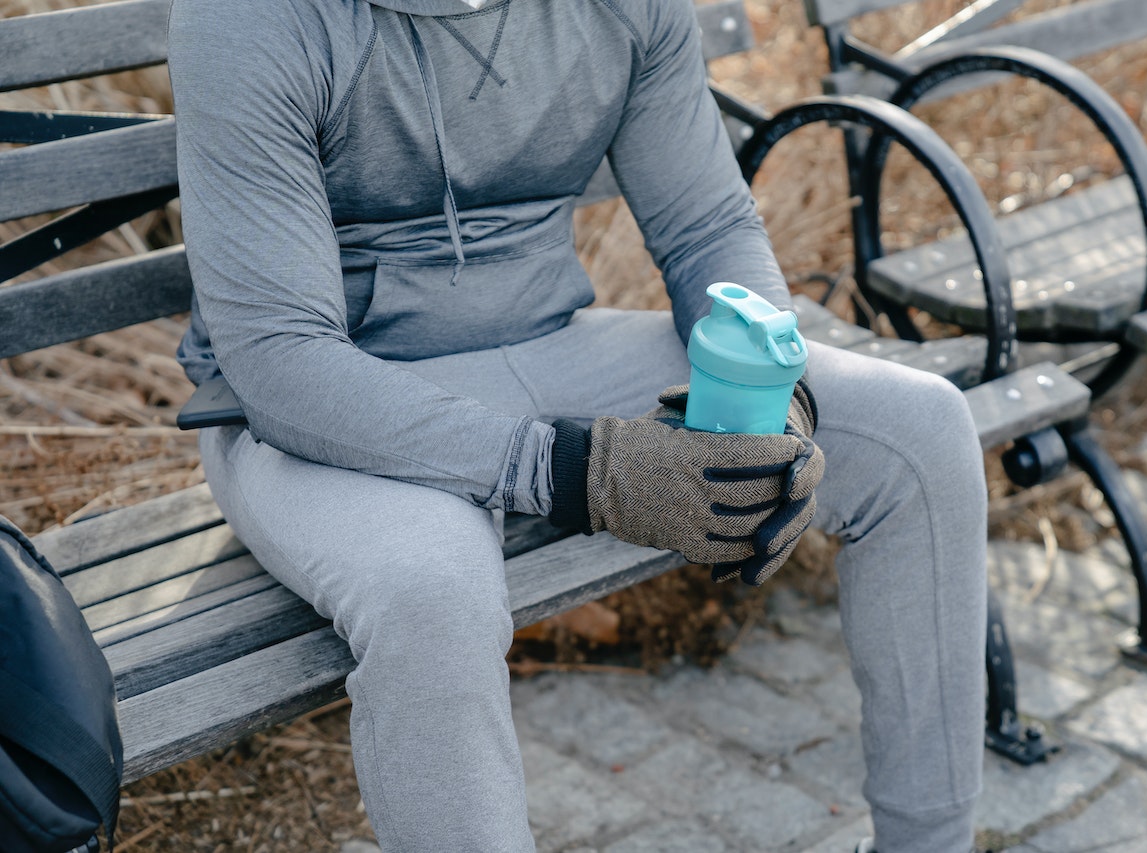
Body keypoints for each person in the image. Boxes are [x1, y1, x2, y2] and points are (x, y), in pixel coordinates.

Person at [166, 0, 988, 850]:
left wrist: (773, 392)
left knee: (921, 430)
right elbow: (282, 363)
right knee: (432, 587)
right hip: (332, 408)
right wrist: (585, 471)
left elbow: (707, 228)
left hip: (553, 345)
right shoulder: (247, 17)